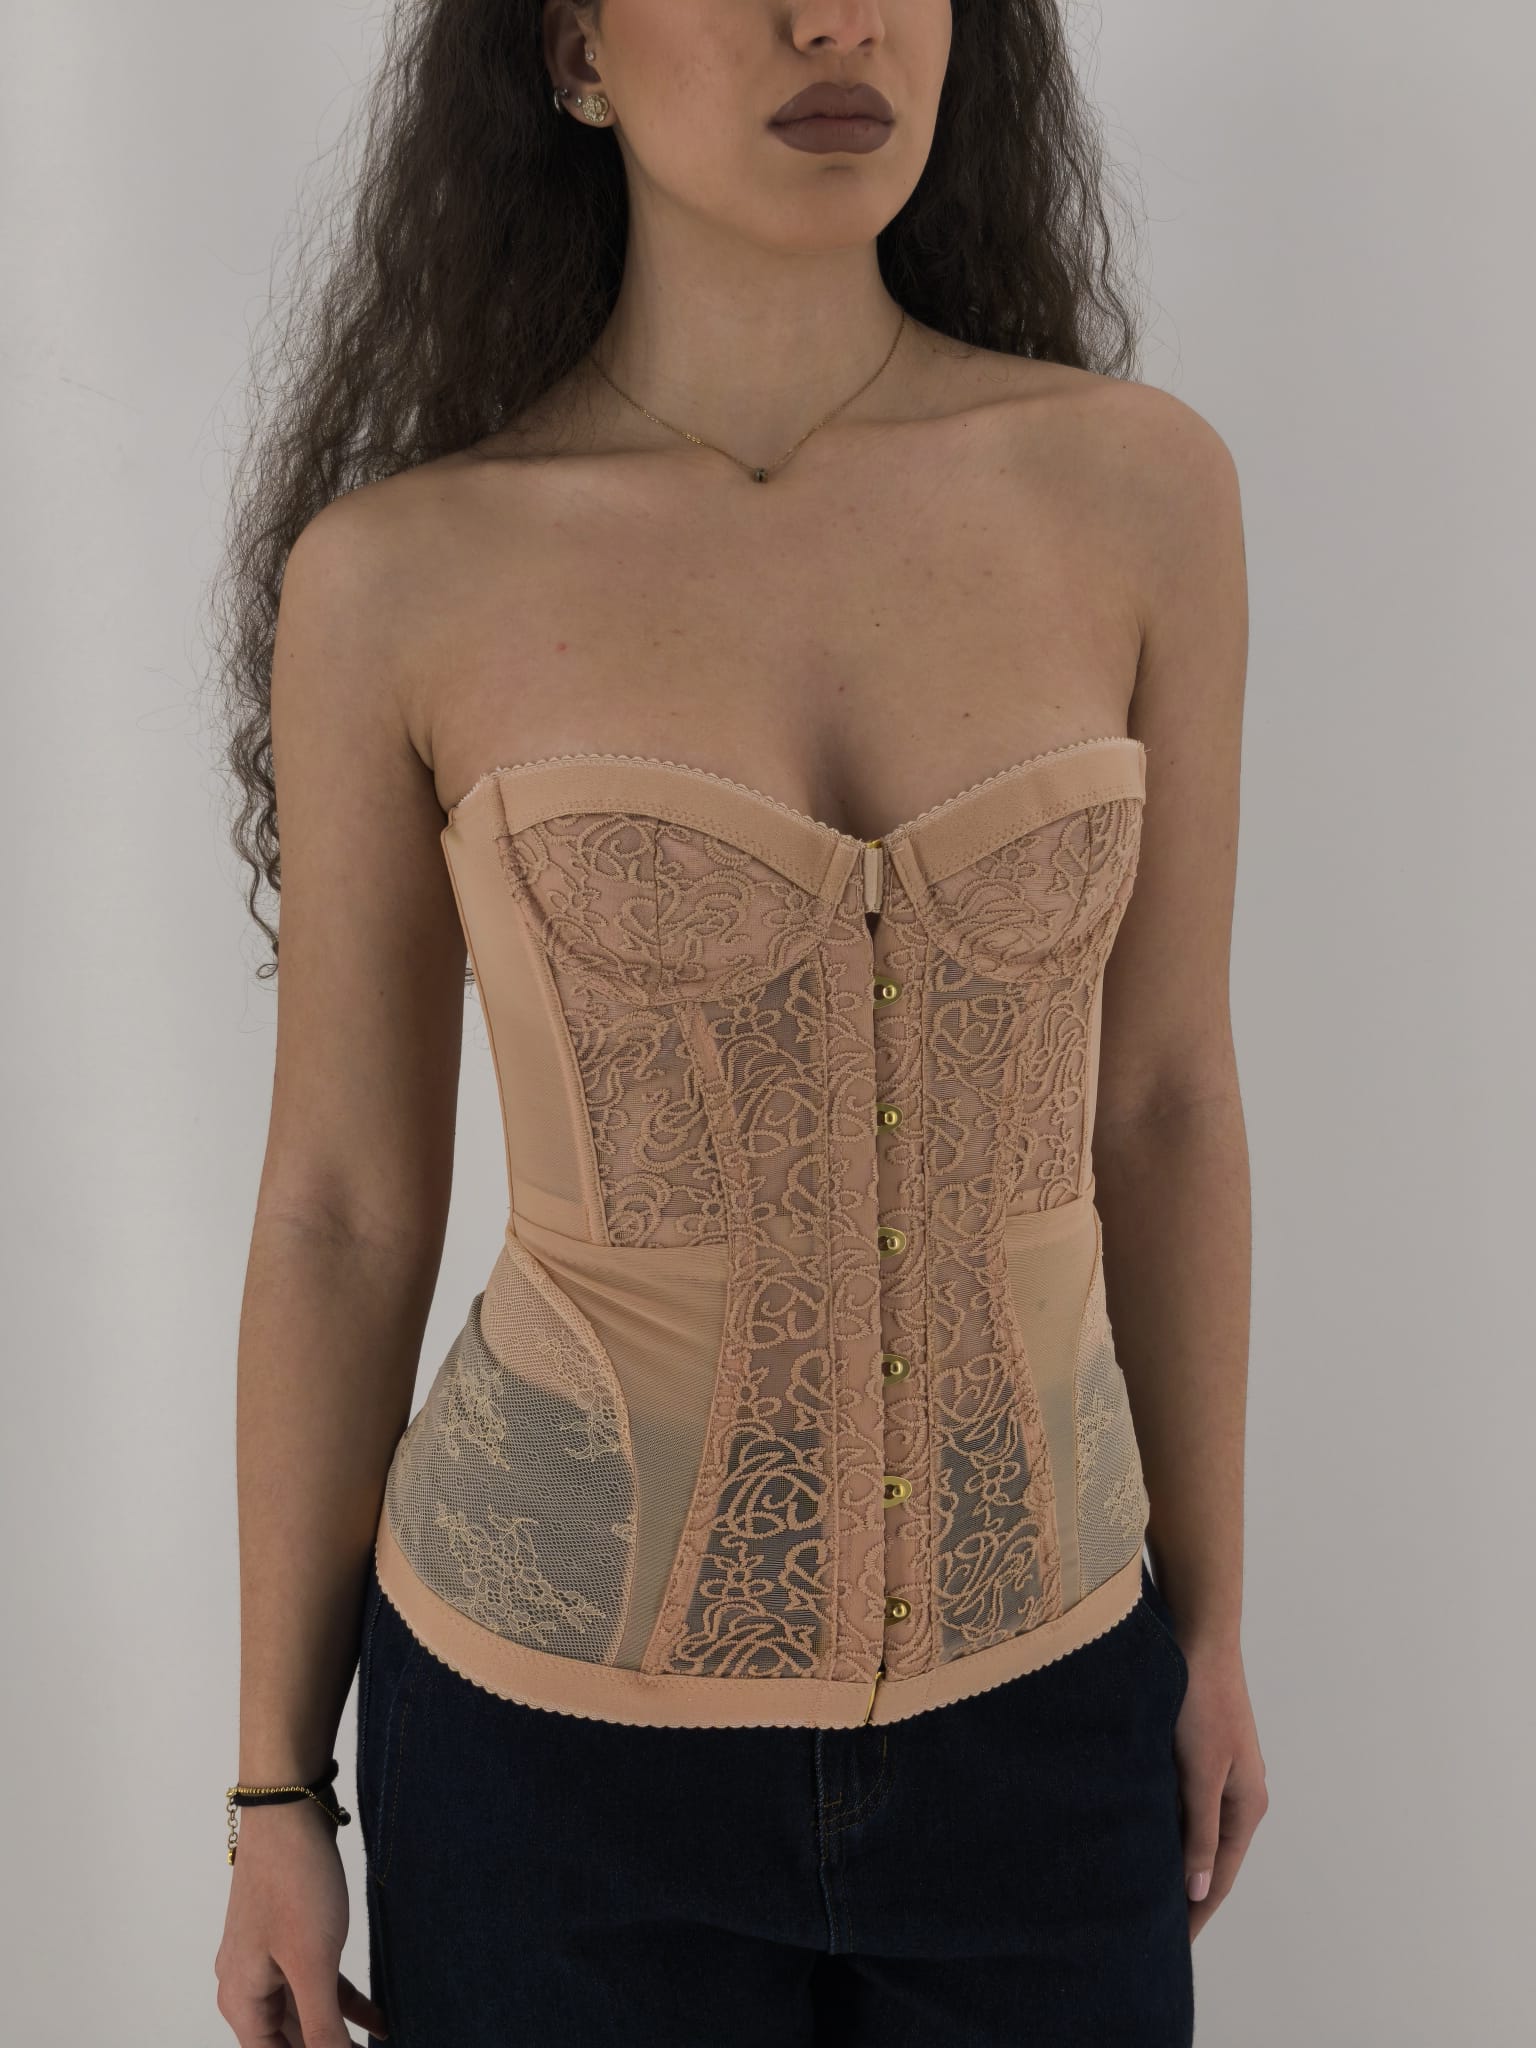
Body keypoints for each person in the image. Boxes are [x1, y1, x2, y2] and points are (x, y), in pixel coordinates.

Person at [210, 2, 1267, 2043]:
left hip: (1053, 1712)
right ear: (571, 51)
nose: (836, 19)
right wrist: (275, 1783)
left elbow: (1161, 1101)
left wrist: (1212, 1625)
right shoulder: (398, 578)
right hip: (548, 1756)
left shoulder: (1140, 493)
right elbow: (340, 1204)